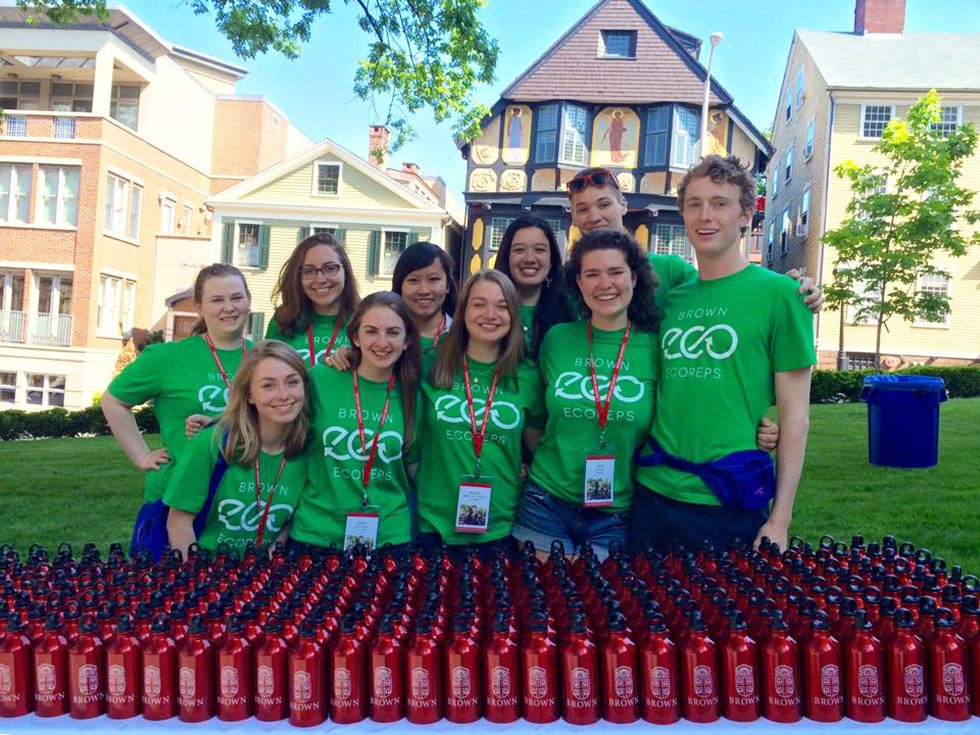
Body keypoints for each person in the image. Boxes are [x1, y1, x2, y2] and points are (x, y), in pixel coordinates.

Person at [632, 155, 816, 553]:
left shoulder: (782, 295)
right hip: (650, 494)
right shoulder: (668, 301)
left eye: (720, 203)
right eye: (694, 204)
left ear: (747, 214)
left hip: (727, 499)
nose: (705, 215)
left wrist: (780, 519)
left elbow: (795, 418)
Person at [511, 230, 660, 559]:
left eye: (616, 272)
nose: (604, 283)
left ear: (634, 277)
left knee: (599, 609)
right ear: (578, 282)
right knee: (540, 604)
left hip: (616, 512)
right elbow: (536, 417)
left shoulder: (655, 346)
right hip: (545, 502)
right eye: (592, 274)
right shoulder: (557, 339)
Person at [102, 264, 253, 507]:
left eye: (237, 297)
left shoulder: (264, 358)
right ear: (199, 308)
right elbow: (113, 401)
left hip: (242, 496)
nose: (229, 307)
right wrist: (141, 455)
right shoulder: (167, 357)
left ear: (248, 301)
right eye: (216, 300)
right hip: (175, 494)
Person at [416, 270, 543, 556]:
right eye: (479, 304)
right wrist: (349, 355)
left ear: (513, 314)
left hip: (500, 527)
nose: (490, 314)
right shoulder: (430, 365)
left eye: (502, 306)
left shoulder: (527, 375)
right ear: (463, 311)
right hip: (434, 526)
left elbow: (537, 450)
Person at [288, 292, 421, 553]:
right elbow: (271, 411)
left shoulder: (413, 394)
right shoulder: (320, 379)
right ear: (356, 337)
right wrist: (216, 421)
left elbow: (416, 470)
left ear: (407, 340)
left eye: (393, 332)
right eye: (371, 331)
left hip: (388, 538)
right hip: (316, 535)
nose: (382, 342)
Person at [164, 340, 310, 556]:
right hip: (207, 575)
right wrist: (199, 582)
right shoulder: (212, 443)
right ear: (249, 394)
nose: (283, 394)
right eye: (268, 385)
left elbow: (288, 523)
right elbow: (178, 524)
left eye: (292, 382)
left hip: (260, 581)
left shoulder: (308, 451)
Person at [265, 232, 360, 367]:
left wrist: (358, 358)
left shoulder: (364, 319)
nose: (320, 279)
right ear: (298, 277)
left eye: (330, 268)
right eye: (309, 271)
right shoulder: (283, 320)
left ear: (346, 271)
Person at [493, 216, 576, 360]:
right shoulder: (489, 308)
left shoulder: (570, 307)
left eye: (539, 250)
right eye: (519, 250)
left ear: (551, 260)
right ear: (507, 257)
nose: (529, 259)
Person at [392, 241, 458, 353]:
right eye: (413, 280)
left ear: (447, 285)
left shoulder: (462, 336)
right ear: (400, 286)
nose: (424, 290)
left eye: (433, 279)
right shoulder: (385, 336)